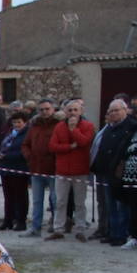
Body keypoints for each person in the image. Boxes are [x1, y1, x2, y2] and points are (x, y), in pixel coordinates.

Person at [89, 99, 136, 245]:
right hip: (105, 172)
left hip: (121, 174)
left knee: (122, 206)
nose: (113, 113)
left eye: (117, 110)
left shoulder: (132, 127)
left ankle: (122, 234)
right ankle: (112, 233)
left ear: (125, 110)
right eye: (111, 111)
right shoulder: (108, 128)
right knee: (110, 206)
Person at [48, 99, 94, 241]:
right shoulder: (59, 127)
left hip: (80, 170)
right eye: (70, 110)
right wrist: (69, 147)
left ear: (81, 111)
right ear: (65, 112)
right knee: (60, 201)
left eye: (75, 110)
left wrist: (74, 130)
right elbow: (53, 146)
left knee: (80, 202)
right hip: (62, 171)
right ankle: (58, 229)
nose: (72, 113)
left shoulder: (88, 126)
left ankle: (80, 228)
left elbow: (84, 142)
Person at [114, 107, 137, 251]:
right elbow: (124, 154)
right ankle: (134, 238)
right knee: (136, 211)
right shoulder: (134, 133)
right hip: (132, 181)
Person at [21, 99, 60, 237]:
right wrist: (29, 156)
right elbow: (25, 144)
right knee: (37, 201)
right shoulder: (34, 126)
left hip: (53, 170)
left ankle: (56, 227)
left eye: (47, 109)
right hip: (36, 168)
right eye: (42, 109)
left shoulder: (58, 126)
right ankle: (35, 227)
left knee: (56, 201)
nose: (44, 112)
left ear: (53, 110)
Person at [0, 111, 30, 231]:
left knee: (20, 197)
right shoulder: (9, 134)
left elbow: (24, 151)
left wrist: (7, 155)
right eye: (14, 122)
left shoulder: (27, 134)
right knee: (8, 197)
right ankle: (8, 220)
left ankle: (21, 221)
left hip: (19, 169)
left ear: (25, 123)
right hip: (6, 170)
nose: (17, 124)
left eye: (19, 122)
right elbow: (1, 146)